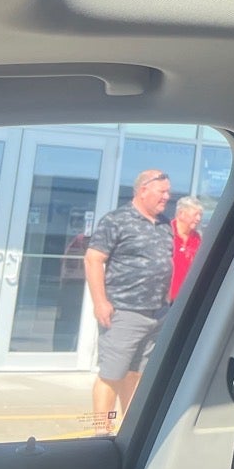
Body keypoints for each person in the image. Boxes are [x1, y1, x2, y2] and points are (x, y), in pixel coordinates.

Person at [84, 168, 173, 434]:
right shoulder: (116, 220)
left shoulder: (164, 224)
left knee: (136, 373)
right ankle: (101, 432)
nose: (167, 197)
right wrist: (100, 302)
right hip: (124, 312)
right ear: (143, 190)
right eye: (162, 191)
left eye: (168, 192)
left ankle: (129, 430)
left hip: (156, 313)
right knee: (111, 374)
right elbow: (93, 259)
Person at [168, 196, 204, 302]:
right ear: (181, 214)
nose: (198, 219)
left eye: (200, 215)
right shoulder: (166, 233)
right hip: (164, 299)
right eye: (195, 215)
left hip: (187, 298)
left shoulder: (197, 238)